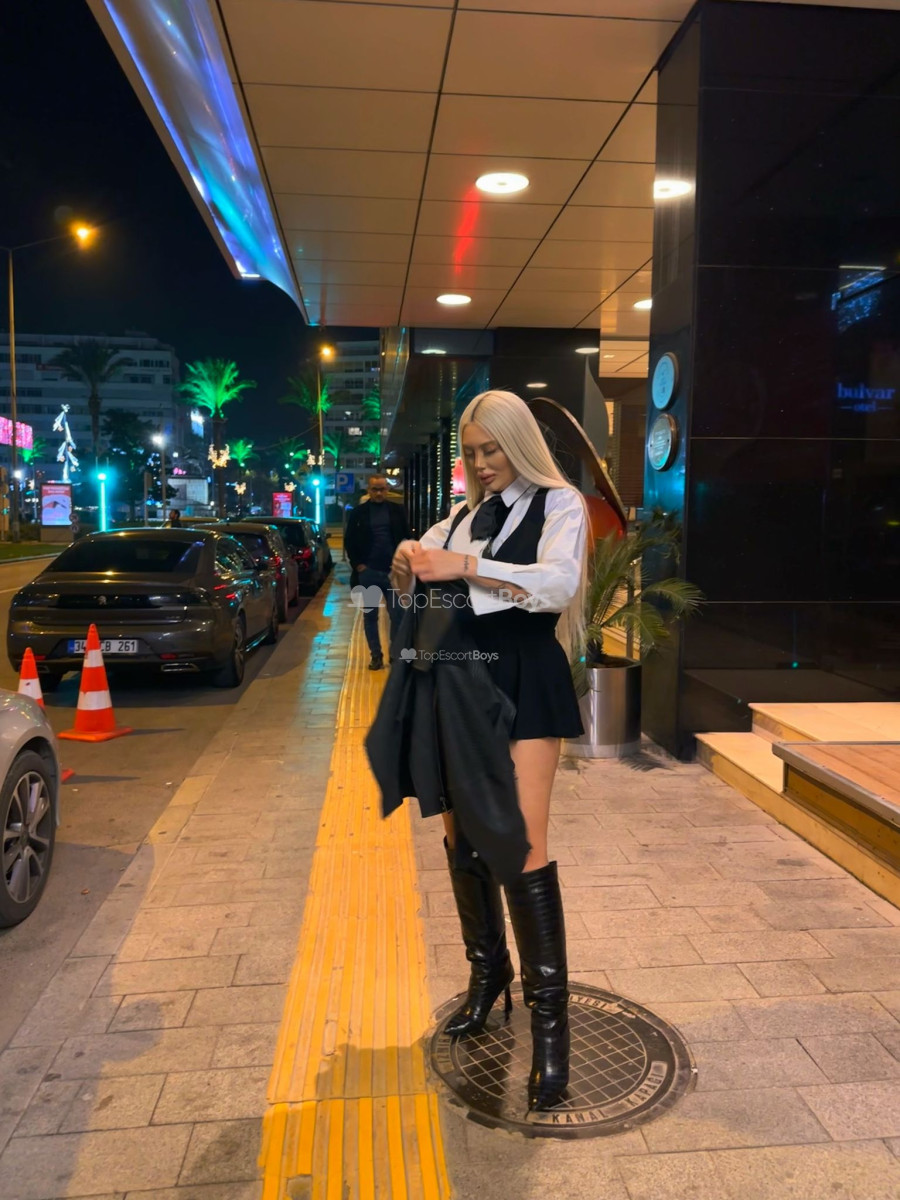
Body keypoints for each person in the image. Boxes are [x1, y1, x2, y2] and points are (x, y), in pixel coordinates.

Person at [389, 389, 588, 1112]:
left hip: (525, 678)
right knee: (460, 835)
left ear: (519, 442)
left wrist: (463, 568)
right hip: (456, 682)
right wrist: (407, 564)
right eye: (471, 453)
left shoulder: (560, 504)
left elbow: (557, 585)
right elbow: (416, 590)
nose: (480, 464)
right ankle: (487, 974)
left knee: (522, 845)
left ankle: (551, 1029)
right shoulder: (458, 518)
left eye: (491, 449)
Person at [345, 475, 411, 670]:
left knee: (397, 615)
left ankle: (395, 654)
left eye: (382, 489)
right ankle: (376, 655)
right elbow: (349, 540)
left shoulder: (397, 511)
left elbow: (406, 537)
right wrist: (358, 565)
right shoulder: (358, 513)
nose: (379, 493)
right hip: (369, 572)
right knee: (370, 616)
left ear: (387, 489)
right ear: (369, 490)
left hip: (393, 573)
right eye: (375, 489)